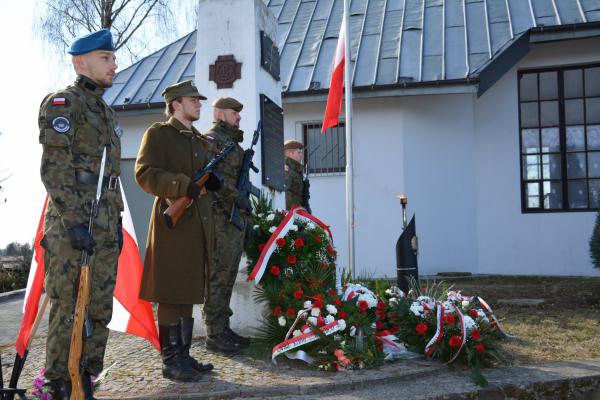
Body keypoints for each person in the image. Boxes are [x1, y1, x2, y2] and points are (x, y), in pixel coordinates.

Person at [38, 29, 123, 399]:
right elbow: (55, 168)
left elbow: (111, 177)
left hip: (105, 220)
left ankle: (86, 378)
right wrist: (73, 221)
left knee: (100, 304)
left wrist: (116, 224)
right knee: (68, 303)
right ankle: (59, 382)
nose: (114, 65)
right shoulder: (62, 104)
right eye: (106, 58)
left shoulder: (105, 111)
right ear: (81, 61)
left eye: (113, 58)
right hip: (73, 220)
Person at [135, 80, 220, 382]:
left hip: (196, 226)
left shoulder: (198, 140)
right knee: (172, 293)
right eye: (193, 99)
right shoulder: (159, 134)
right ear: (175, 104)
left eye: (199, 99)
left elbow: (198, 184)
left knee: (187, 291)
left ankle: (183, 355)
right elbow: (145, 173)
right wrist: (183, 185)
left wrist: (208, 185)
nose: (199, 103)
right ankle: (171, 361)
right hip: (173, 225)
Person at [202, 97, 251, 355]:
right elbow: (210, 177)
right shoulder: (212, 141)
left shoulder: (234, 145)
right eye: (235, 114)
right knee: (218, 276)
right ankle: (214, 333)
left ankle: (224, 327)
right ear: (220, 115)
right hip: (219, 219)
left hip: (234, 220)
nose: (239, 118)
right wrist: (235, 196)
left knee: (229, 275)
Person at [284, 139, 311, 212]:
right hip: (292, 215)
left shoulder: (295, 171)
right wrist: (298, 209)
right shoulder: (287, 171)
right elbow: (286, 195)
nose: (301, 155)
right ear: (290, 153)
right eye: (298, 152)